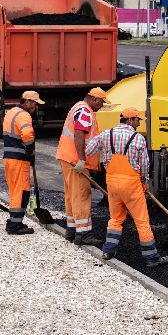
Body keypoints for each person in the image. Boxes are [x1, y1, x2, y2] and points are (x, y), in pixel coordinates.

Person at [86, 106, 167, 266]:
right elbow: (144, 165)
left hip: (112, 183)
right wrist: (144, 182)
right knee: (142, 221)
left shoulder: (106, 134)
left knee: (115, 218)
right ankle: (151, 258)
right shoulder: (138, 139)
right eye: (137, 120)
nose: (139, 124)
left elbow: (89, 150)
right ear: (130, 120)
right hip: (131, 184)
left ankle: (108, 251)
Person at [54, 87, 108, 243]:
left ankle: (72, 230)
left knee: (72, 195)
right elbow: (79, 133)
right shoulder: (85, 111)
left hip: (67, 158)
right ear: (95, 99)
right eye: (102, 103)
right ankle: (83, 234)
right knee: (82, 196)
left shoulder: (78, 107)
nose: (102, 106)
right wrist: (82, 159)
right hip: (75, 160)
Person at [1, 90, 44, 236]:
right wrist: (31, 151)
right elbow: (27, 135)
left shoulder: (11, 112)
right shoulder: (24, 115)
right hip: (19, 159)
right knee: (22, 191)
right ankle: (15, 226)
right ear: (28, 102)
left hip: (8, 158)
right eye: (35, 104)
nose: (36, 107)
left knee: (14, 191)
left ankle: (14, 220)